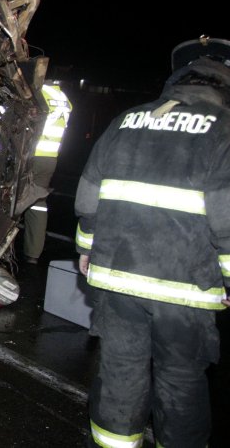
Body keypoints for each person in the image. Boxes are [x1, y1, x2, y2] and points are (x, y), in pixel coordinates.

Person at [74, 35, 230, 447]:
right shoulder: (225, 130)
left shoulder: (127, 119)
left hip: (117, 280)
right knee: (180, 382)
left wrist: (87, 251)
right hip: (186, 289)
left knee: (120, 372)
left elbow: (88, 196)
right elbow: (227, 217)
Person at [23, 80, 71, 264]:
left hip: (31, 156)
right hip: (50, 157)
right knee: (38, 202)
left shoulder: (38, 93)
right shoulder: (63, 98)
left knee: (11, 199)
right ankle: (33, 253)